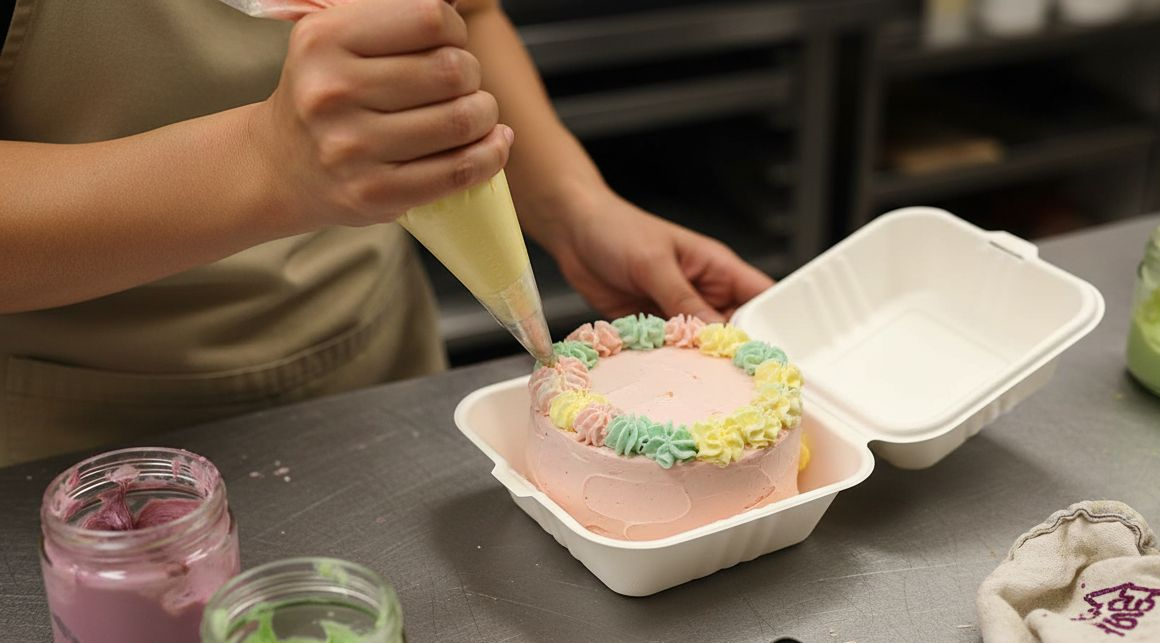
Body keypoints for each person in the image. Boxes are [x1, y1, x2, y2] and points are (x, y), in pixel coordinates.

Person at [0, 0, 773, 466]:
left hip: (383, 370)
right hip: (85, 442)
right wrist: (267, 163)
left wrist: (574, 206)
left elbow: (457, 18)